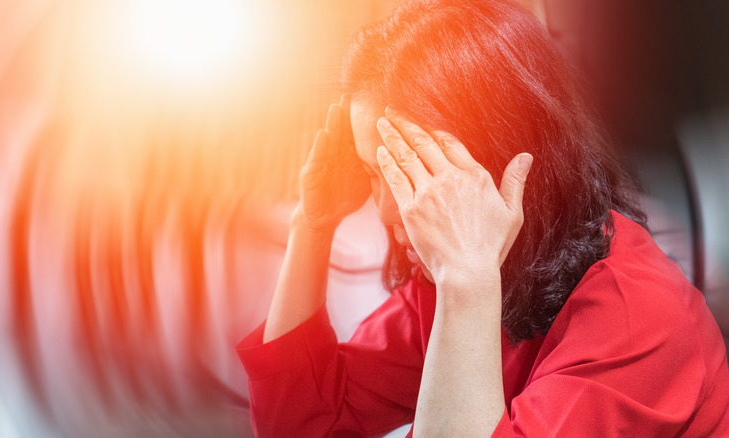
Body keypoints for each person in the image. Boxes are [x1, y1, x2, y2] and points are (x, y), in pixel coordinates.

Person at [236, 0, 729, 436]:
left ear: (505, 161)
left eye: (413, 176)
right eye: (372, 172)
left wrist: (467, 283)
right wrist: (313, 224)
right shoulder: (468, 274)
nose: (388, 211)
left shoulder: (636, 322)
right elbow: (301, 423)